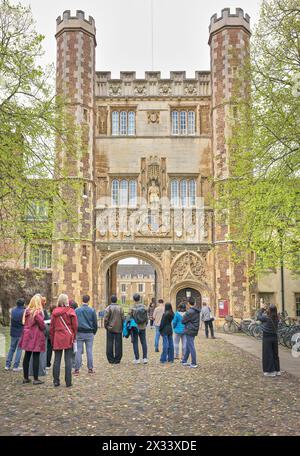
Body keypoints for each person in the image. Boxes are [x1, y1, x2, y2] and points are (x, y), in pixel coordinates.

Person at [50, 294, 78, 387]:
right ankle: (68, 382)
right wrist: (74, 336)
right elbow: (75, 326)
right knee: (68, 360)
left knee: (57, 360)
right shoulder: (70, 311)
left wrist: (52, 339)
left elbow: (52, 328)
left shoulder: (54, 312)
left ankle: (56, 381)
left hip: (58, 336)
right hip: (67, 336)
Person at [19, 294, 46, 385]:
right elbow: (42, 325)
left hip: (27, 336)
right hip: (35, 336)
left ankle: (25, 377)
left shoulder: (26, 311)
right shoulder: (37, 312)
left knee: (27, 356)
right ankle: (35, 378)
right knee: (36, 357)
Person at [74, 295, 98, 375]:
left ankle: (76, 369)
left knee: (78, 351)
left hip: (79, 332)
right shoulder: (92, 310)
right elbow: (95, 323)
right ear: (88, 300)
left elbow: (74, 322)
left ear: (82, 300)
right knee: (89, 351)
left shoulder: (77, 310)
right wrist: (93, 332)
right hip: (89, 333)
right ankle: (90, 368)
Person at [257, 305, 281, 377]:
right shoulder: (277, 318)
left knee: (268, 354)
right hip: (274, 337)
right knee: (275, 354)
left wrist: (262, 309)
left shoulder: (267, 317)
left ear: (270, 310)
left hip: (267, 337)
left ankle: (270, 371)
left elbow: (259, 317)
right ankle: (277, 370)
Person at [5, 298, 25, 372]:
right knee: (19, 349)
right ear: (23, 304)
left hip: (13, 332)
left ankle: (7, 365)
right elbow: (24, 322)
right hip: (20, 332)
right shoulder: (24, 312)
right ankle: (15, 366)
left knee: (11, 348)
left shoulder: (12, 310)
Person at [104, 295, 124, 364]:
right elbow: (123, 318)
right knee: (118, 344)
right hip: (118, 328)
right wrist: (122, 326)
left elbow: (106, 319)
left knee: (109, 344)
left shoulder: (108, 308)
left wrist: (106, 326)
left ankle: (110, 359)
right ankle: (118, 359)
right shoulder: (120, 308)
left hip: (110, 328)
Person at [181, 297, 200, 368]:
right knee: (188, 345)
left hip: (189, 330)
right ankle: (184, 360)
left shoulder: (189, 312)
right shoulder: (196, 310)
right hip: (194, 329)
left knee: (191, 346)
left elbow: (183, 321)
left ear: (188, 303)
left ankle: (194, 363)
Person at [129, 293, 148, 364]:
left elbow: (129, 317)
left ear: (134, 299)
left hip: (135, 327)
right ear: (139, 298)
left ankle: (137, 359)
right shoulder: (144, 306)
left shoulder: (132, 307)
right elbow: (147, 317)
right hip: (142, 327)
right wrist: (145, 324)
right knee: (144, 342)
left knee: (135, 343)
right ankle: (145, 358)